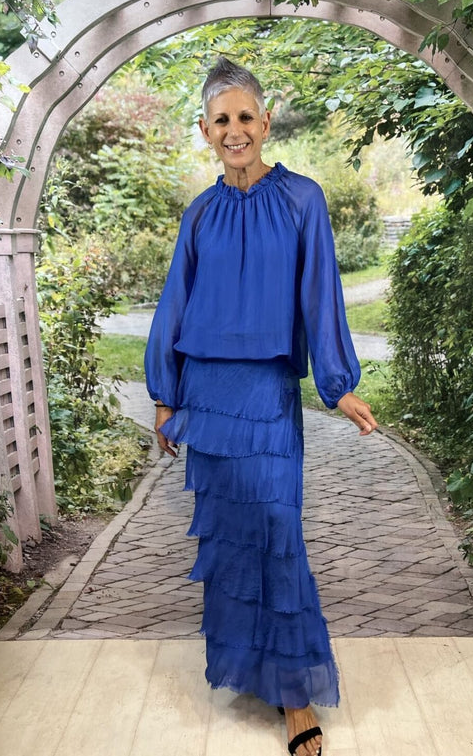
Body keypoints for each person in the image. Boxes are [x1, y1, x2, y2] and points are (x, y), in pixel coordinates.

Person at [144, 56, 377, 756]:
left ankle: (295, 695)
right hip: (209, 397)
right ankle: (255, 670)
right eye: (221, 120)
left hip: (268, 393)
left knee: (277, 532)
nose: (235, 130)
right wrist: (164, 394)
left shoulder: (303, 199)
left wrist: (337, 382)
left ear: (266, 122)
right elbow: (175, 302)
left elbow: (320, 294)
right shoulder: (199, 213)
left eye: (245, 116)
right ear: (205, 131)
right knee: (231, 541)